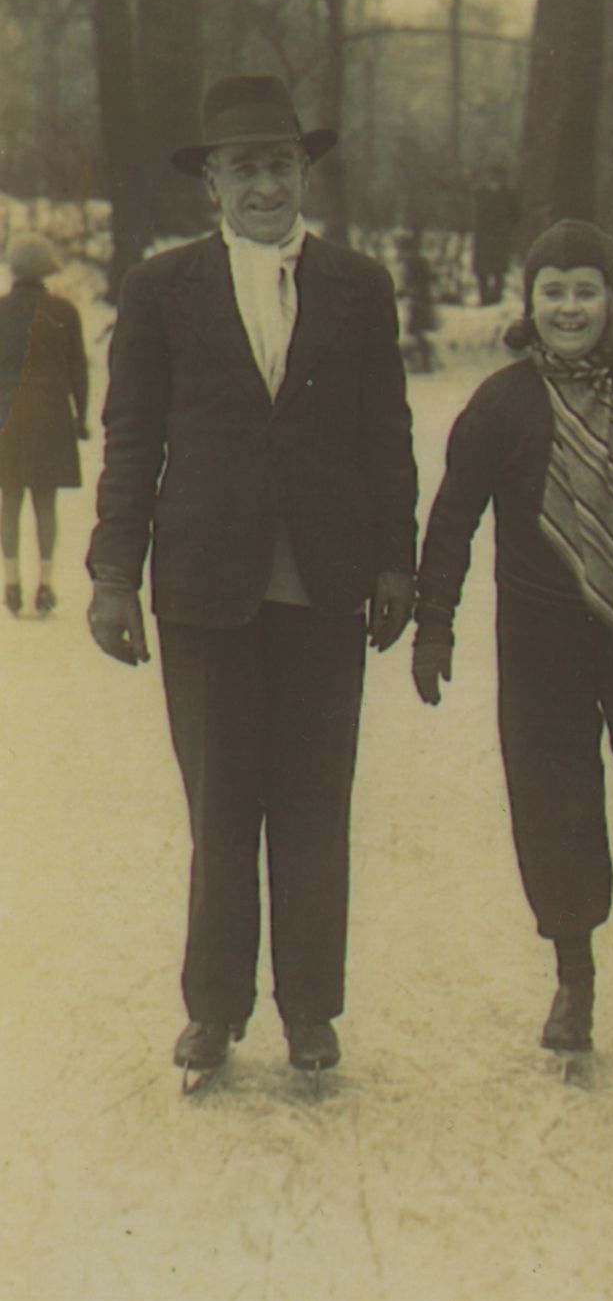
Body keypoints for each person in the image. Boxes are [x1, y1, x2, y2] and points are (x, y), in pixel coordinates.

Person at [86, 76, 418, 1085]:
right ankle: (215, 1010)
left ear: (304, 173)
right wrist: (111, 572)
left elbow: (387, 436)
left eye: (281, 163)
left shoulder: (360, 286)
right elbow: (132, 435)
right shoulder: (161, 289)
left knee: (315, 805)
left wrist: (397, 559)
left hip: (324, 584)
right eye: (244, 168)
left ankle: (311, 1008)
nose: (264, 184)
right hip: (203, 588)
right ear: (213, 186)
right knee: (222, 806)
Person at [412, 220, 613, 1055]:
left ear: (612, 301)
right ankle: (575, 976)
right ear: (530, 303)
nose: (568, 306)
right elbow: (452, 520)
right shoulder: (503, 402)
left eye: (585, 289)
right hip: (541, 638)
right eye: (551, 291)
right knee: (554, 806)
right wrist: (433, 624)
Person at [0, 231, 88, 616]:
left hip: (6, 417)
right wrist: (81, 416)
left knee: (10, 497)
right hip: (51, 417)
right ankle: (47, 584)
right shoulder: (65, 312)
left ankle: (12, 581)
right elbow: (79, 371)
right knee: (45, 501)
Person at [472, 160, 520, 306]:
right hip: (483, 236)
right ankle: (484, 298)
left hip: (500, 236)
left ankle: (497, 298)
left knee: (499, 269)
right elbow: (475, 213)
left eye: (497, 176)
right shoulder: (480, 193)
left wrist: (506, 227)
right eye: (491, 175)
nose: (493, 179)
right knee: (482, 269)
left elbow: (516, 215)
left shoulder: (508, 194)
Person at [398, 228, 437, 374]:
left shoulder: (412, 262)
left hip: (418, 300)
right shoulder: (420, 261)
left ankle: (424, 362)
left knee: (416, 331)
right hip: (422, 299)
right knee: (417, 332)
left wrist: (406, 291)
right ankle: (424, 360)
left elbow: (413, 282)